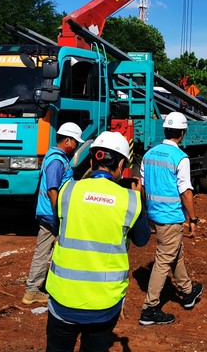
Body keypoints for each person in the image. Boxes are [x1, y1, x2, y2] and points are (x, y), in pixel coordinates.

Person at [45, 131, 150, 351]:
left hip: (63, 299)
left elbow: (56, 229)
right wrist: (140, 197)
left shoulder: (68, 190)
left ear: (92, 161)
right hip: (104, 304)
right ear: (121, 164)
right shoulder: (130, 200)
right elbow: (142, 240)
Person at [139, 111, 203, 325]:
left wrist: (147, 212)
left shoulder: (149, 154)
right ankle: (150, 309)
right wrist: (193, 219)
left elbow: (143, 186)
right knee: (163, 260)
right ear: (183, 133)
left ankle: (187, 292)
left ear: (165, 130)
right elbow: (185, 192)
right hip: (171, 217)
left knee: (175, 252)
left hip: (155, 214)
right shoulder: (180, 158)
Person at [22, 122, 83, 305]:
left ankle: (39, 286)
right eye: (75, 142)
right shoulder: (57, 161)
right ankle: (32, 290)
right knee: (44, 251)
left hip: (49, 213)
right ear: (67, 140)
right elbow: (52, 190)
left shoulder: (55, 157)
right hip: (51, 214)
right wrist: (58, 215)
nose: (76, 146)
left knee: (47, 250)